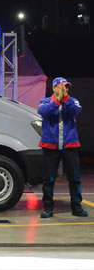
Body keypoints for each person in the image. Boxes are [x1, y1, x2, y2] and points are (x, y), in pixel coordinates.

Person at [38, 77, 88, 218]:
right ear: (54, 88)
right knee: (49, 179)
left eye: (66, 87)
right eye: (62, 87)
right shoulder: (45, 102)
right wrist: (57, 100)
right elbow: (43, 112)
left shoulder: (72, 101)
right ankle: (48, 208)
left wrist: (64, 99)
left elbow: (76, 111)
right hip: (50, 145)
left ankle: (76, 207)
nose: (65, 89)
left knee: (74, 178)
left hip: (70, 145)